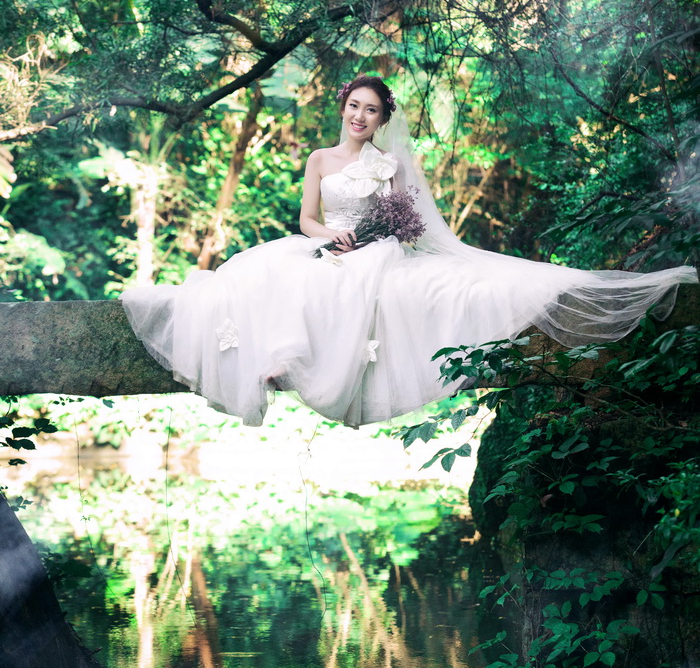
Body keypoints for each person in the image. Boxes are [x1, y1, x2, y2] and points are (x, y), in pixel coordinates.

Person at [121, 75, 698, 427]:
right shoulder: (319, 159)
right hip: (326, 243)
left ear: (381, 119)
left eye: (371, 110)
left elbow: (406, 224)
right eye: (354, 105)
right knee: (269, 276)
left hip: (375, 249)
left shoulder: (390, 165)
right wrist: (326, 238)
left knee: (353, 279)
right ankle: (279, 361)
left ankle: (296, 363)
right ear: (343, 106)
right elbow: (306, 218)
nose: (360, 116)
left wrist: (374, 236)